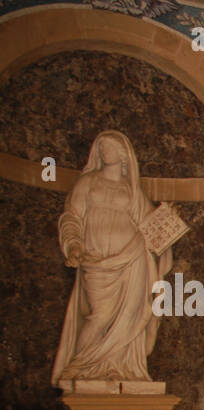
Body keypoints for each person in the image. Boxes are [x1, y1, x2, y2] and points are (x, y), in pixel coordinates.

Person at [52, 130, 172, 385]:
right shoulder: (88, 182)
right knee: (101, 314)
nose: (105, 150)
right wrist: (73, 245)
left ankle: (121, 368)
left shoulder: (132, 191)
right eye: (102, 146)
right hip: (96, 261)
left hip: (132, 259)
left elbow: (152, 227)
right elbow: (72, 216)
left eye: (111, 146)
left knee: (129, 314)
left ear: (124, 154)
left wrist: (168, 221)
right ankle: (80, 365)